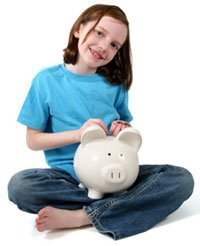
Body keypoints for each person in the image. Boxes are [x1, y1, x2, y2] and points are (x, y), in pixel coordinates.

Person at [8, 4, 194, 240]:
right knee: (21, 186)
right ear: (78, 29)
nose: (104, 46)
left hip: (117, 175)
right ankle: (122, 207)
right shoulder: (46, 81)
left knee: (180, 179)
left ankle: (82, 216)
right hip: (72, 179)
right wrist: (79, 134)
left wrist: (121, 130)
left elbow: (124, 134)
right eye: (99, 33)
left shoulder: (115, 84)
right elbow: (33, 140)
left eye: (115, 45)